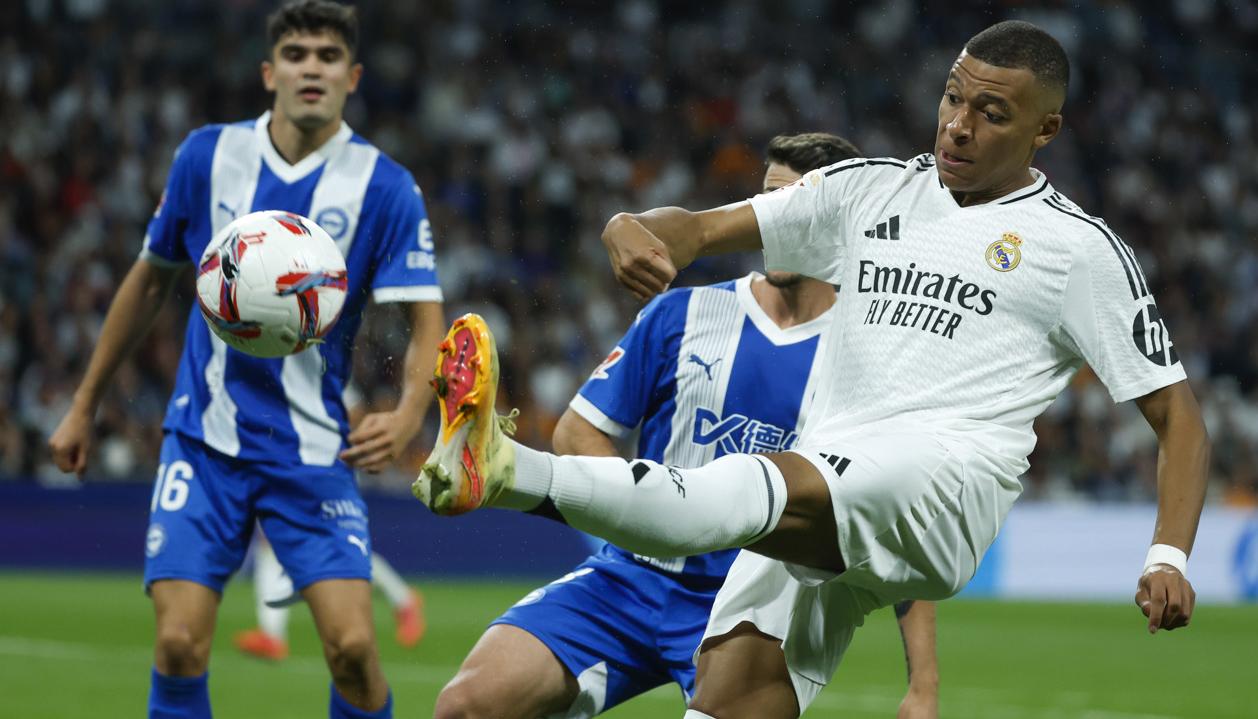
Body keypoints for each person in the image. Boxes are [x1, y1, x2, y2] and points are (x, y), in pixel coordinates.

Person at [413, 20, 1208, 719]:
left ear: (1046, 130)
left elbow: (1176, 413)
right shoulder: (868, 193)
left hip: (945, 478)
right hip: (836, 480)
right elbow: (699, 227)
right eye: (952, 99)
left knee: (728, 494)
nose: (959, 125)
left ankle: (506, 467)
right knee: (730, 696)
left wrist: (1167, 552)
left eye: (991, 112)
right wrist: (634, 227)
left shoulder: (1079, 250)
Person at [433, 134, 939, 719]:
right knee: (465, 707)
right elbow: (578, 432)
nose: (775, 221)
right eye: (767, 204)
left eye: (793, 207)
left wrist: (922, 687)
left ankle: (502, 466)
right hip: (630, 579)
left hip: (754, 607)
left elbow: (897, 517)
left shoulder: (873, 357)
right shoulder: (683, 311)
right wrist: (650, 517)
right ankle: (498, 463)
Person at [47, 2, 445, 717]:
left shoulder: (385, 187)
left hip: (313, 450)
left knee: (354, 651)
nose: (312, 67)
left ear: (352, 76)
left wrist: (410, 411)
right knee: (177, 642)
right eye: (296, 54)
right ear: (270, 72)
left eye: (328, 56)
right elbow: (148, 279)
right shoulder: (207, 155)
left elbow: (425, 319)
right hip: (204, 440)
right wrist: (84, 403)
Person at [235, 386, 427, 662]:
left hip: (328, 470)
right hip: (295, 467)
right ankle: (271, 634)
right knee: (273, 542)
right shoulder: (285, 370)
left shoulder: (327, 369)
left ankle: (404, 599)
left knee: (343, 547)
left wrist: (334, 440)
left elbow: (356, 416)